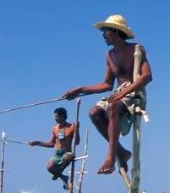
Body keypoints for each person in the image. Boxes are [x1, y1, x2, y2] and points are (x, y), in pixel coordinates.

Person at [63, 14, 152, 175]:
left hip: (135, 93)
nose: (103, 35)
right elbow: (107, 85)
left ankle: (110, 157)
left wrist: (124, 92)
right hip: (119, 94)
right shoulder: (109, 55)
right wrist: (80, 89)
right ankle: (121, 152)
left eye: (105, 31)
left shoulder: (137, 49)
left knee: (113, 106)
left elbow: (147, 76)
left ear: (115, 32)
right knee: (94, 112)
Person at [26, 107, 79, 190]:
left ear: (63, 116)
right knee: (49, 167)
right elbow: (51, 144)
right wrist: (37, 143)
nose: (55, 118)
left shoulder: (71, 127)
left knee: (66, 158)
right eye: (55, 117)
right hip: (57, 153)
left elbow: (77, 142)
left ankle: (58, 174)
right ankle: (62, 176)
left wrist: (77, 130)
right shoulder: (55, 128)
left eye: (57, 116)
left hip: (67, 152)